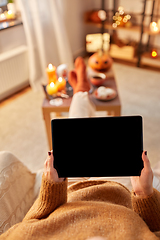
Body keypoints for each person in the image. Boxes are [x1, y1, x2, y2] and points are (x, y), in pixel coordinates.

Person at [1, 57, 160, 240]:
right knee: (95, 141)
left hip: (70, 194)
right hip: (116, 191)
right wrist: (144, 193)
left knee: (76, 130)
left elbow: (29, 223)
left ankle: (80, 92)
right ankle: (81, 92)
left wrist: (52, 188)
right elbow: (155, 230)